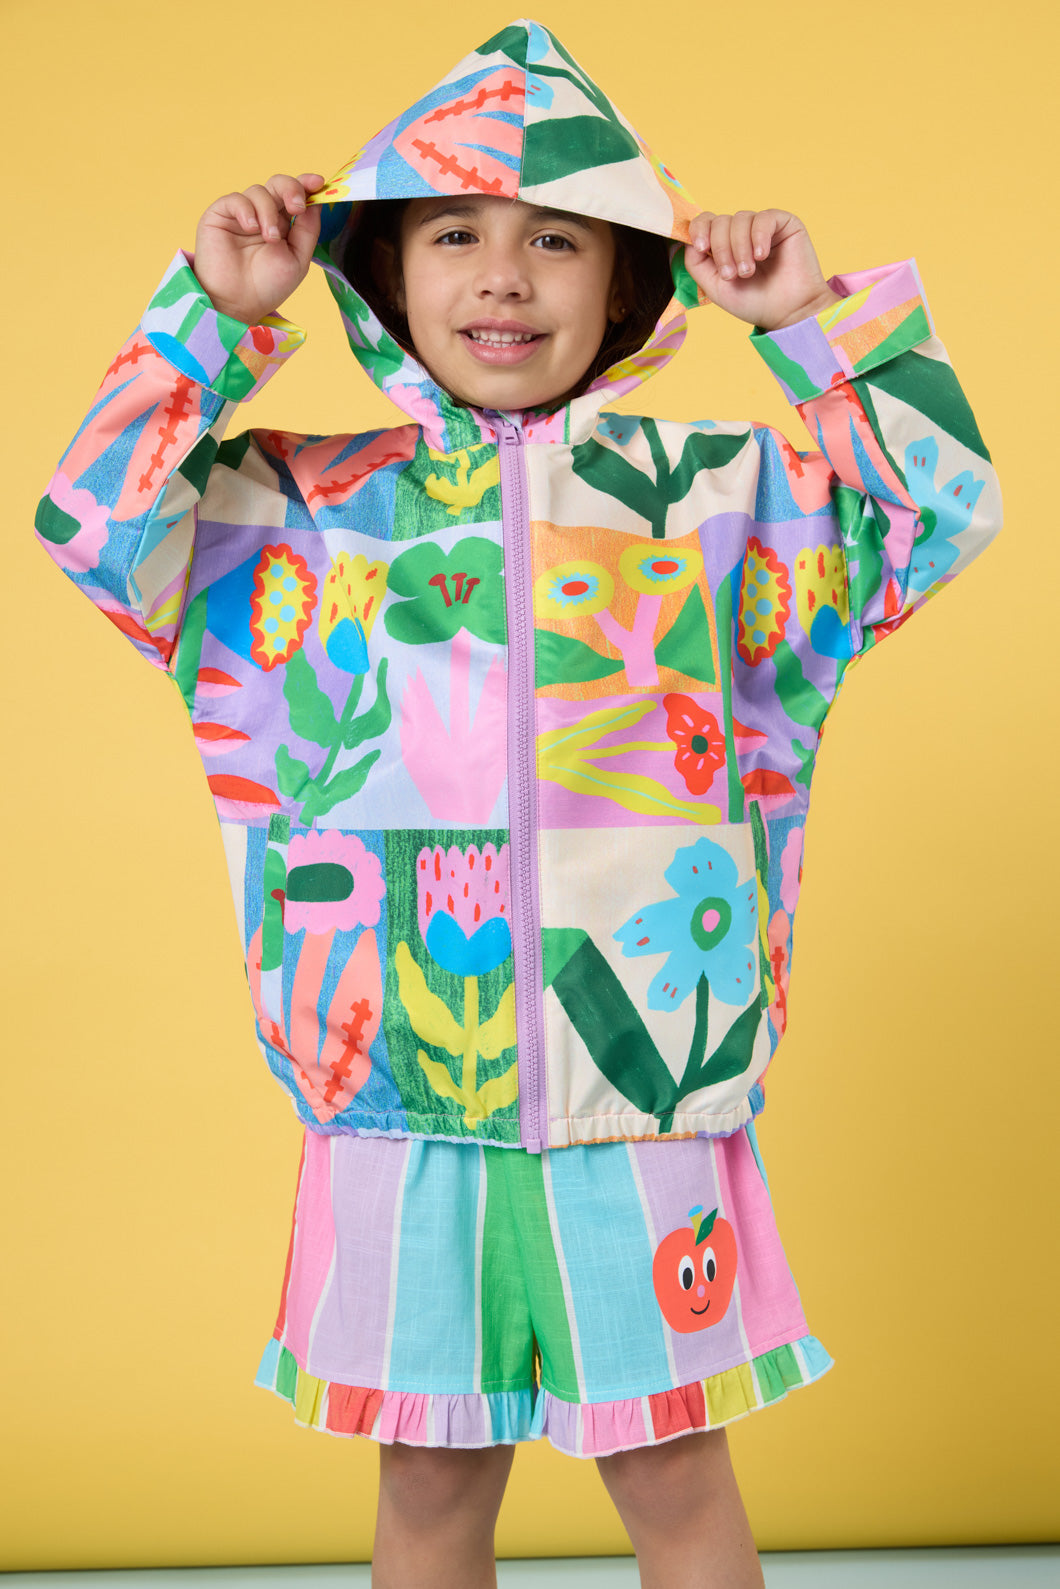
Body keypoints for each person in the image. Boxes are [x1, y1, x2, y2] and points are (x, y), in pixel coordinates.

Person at [35, 20, 1001, 1589]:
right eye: (454, 235)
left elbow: (939, 511)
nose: (503, 275)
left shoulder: (722, 500)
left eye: (556, 237)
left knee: (676, 1474)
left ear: (628, 284)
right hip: (392, 1085)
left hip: (647, 1087)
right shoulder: (293, 505)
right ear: (382, 272)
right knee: (426, 1482)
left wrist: (809, 327)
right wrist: (213, 315)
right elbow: (93, 524)